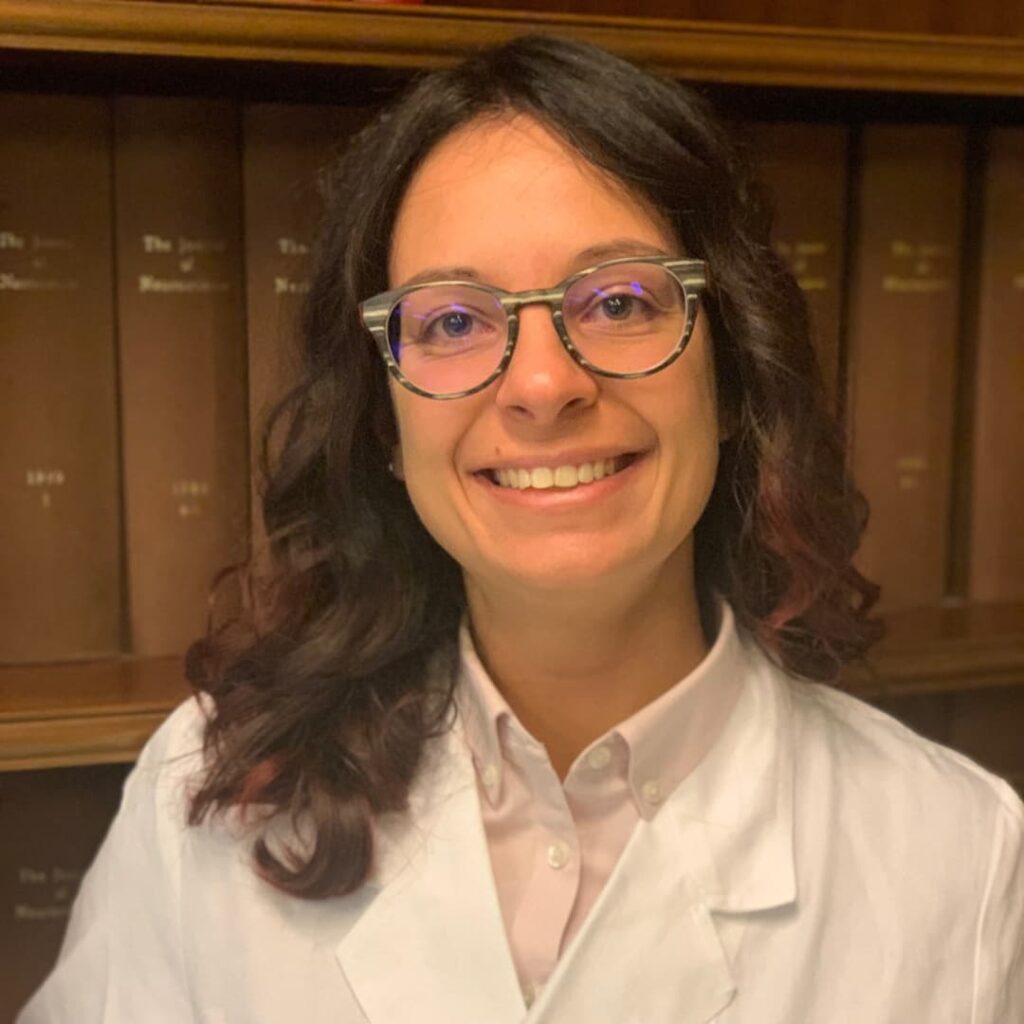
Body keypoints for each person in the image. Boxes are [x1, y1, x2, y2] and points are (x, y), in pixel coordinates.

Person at [20, 34, 1023, 1024]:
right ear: (382, 418)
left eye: (620, 299)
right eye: (452, 321)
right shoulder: (210, 788)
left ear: (732, 376)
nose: (543, 384)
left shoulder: (962, 857)